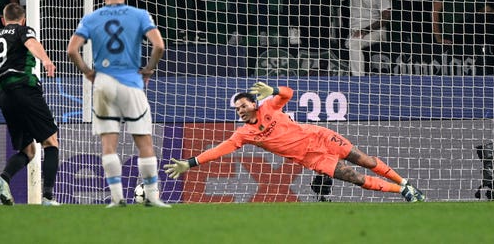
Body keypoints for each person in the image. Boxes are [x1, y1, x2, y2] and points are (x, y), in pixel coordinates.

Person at [164, 82, 426, 202]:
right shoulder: (244, 134)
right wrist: (190, 163)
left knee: (366, 161)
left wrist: (274, 91)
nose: (240, 111)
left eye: (243, 106)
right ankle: (403, 192)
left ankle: (404, 182)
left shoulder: (269, 106)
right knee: (355, 178)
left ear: (253, 103)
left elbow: (288, 93)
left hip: (320, 136)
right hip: (312, 158)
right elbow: (219, 150)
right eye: (237, 110)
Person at [66, 0, 169, 208]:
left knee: (108, 144)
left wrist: (87, 72)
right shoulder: (140, 14)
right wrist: (149, 69)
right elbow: (159, 46)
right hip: (132, 81)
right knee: (144, 141)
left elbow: (72, 50)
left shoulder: (91, 18)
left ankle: (116, 198)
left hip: (103, 82)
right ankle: (152, 196)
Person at [0, 2, 60, 206]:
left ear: (2, 21)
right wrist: (46, 60)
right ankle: (48, 197)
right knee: (50, 142)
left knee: (28, 150)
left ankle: (3, 178)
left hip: (3, 96)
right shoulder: (23, 30)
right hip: (24, 88)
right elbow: (31, 43)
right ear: (23, 19)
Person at [340, 0, 392, 76]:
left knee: (353, 43)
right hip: (354, 31)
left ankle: (359, 80)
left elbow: (386, 17)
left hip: (375, 30)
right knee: (350, 43)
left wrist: (366, 30)